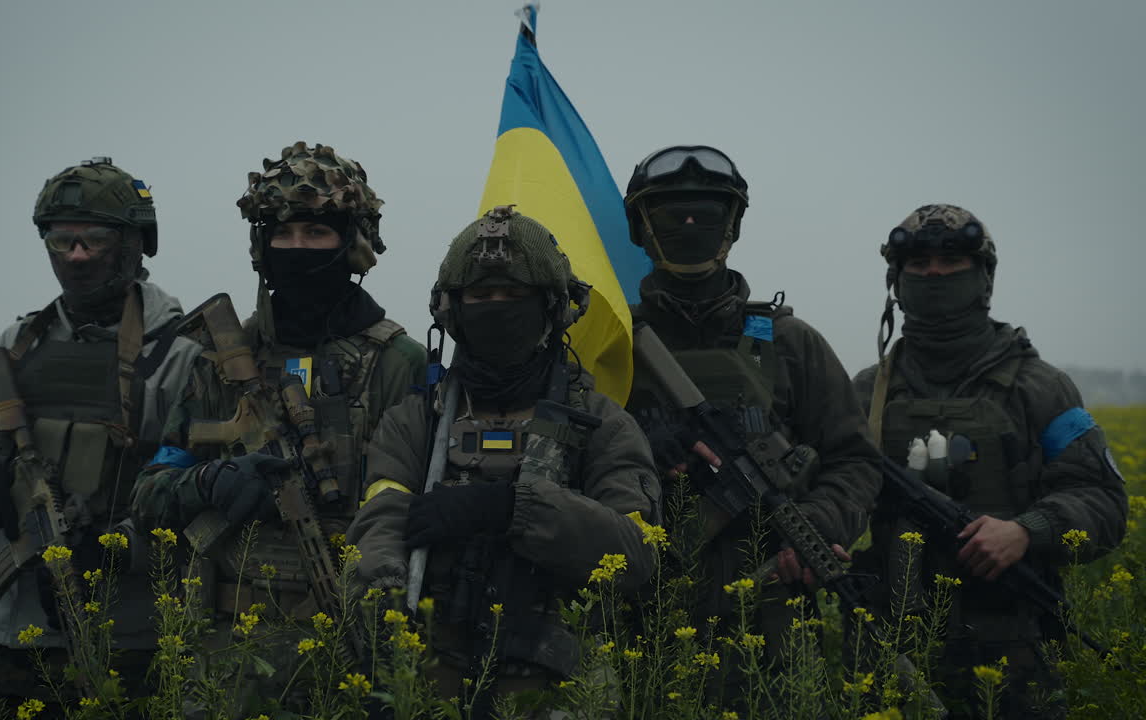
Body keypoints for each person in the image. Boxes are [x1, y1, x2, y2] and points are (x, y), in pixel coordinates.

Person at [130, 141, 425, 715]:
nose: (297, 249)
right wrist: (209, 482)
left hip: (354, 651)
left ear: (355, 242)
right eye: (282, 235)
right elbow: (148, 493)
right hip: (228, 660)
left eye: (316, 233)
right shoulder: (219, 358)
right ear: (260, 246)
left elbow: (421, 504)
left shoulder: (397, 361)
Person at [347, 207, 660, 717]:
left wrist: (515, 509)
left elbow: (636, 552)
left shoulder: (603, 424)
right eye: (480, 297)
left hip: (558, 685)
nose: (497, 308)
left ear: (553, 309)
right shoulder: (416, 421)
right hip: (431, 677)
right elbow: (381, 517)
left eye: (515, 297)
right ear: (452, 310)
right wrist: (384, 598)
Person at [0, 157, 202, 715]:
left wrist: (121, 546)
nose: (76, 256)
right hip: (4, 634)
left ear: (134, 244)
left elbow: (197, 487)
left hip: (130, 636)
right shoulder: (18, 344)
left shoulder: (183, 355)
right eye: (61, 240)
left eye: (94, 240)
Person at [853, 203, 1128, 718]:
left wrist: (1027, 530)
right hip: (894, 651)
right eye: (919, 263)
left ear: (984, 277)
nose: (934, 272)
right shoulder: (868, 393)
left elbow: (1104, 501)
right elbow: (830, 492)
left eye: (952, 260)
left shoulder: (1039, 387)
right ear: (898, 279)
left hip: (1017, 651)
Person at [621, 145, 881, 672]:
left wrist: (816, 525)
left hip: (772, 620)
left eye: (707, 211)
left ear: (732, 225)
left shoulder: (791, 342)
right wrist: (639, 446)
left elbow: (854, 461)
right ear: (641, 227)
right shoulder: (609, 341)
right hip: (642, 617)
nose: (690, 222)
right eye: (674, 211)